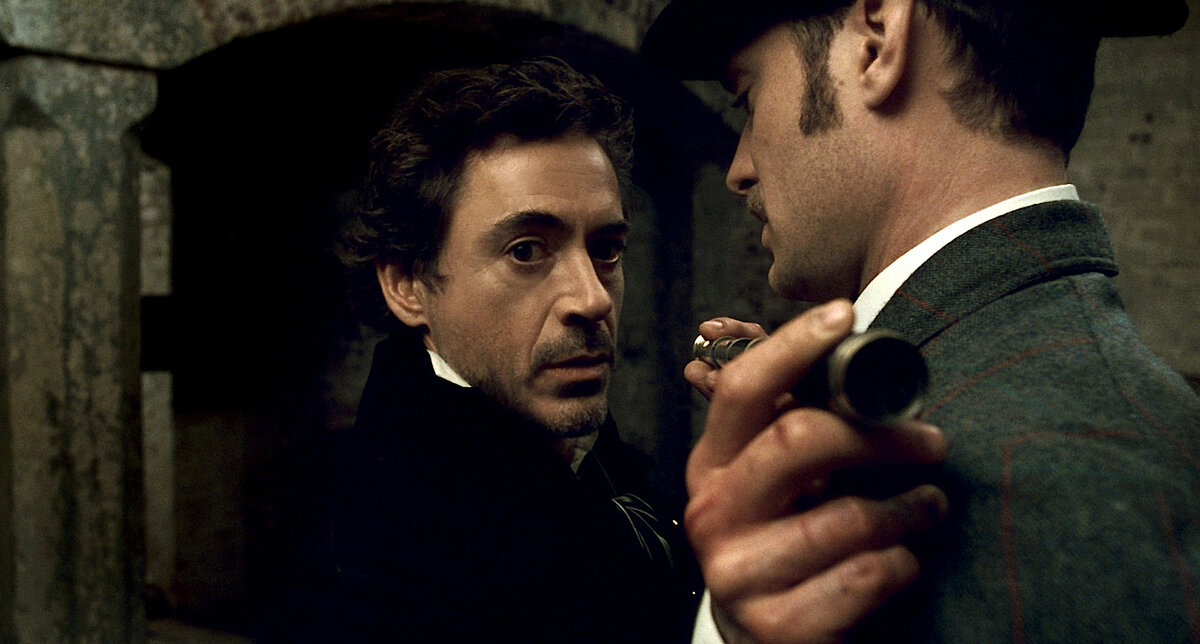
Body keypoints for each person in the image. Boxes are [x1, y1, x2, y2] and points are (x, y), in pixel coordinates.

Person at [643, 0, 1200, 642]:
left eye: (747, 98)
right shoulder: (1081, 409)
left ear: (878, 41)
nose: (738, 171)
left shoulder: (1055, 485)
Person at [285, 57, 703, 642]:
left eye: (606, 248)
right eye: (526, 251)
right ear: (407, 285)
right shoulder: (377, 543)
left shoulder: (577, 447)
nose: (592, 298)